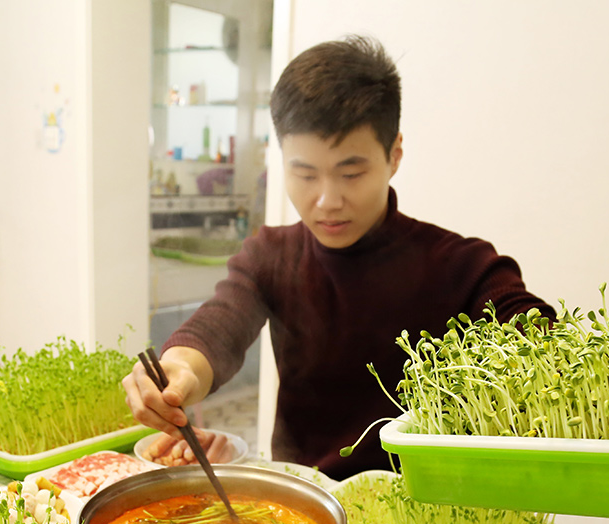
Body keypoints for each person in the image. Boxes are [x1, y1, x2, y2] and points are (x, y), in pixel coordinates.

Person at [123, 35, 555, 481]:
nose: (327, 200)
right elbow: (218, 325)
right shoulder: (272, 256)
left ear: (394, 155)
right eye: (304, 173)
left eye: (351, 173)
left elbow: (531, 328)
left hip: (418, 519)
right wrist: (178, 368)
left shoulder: (459, 266)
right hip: (303, 507)